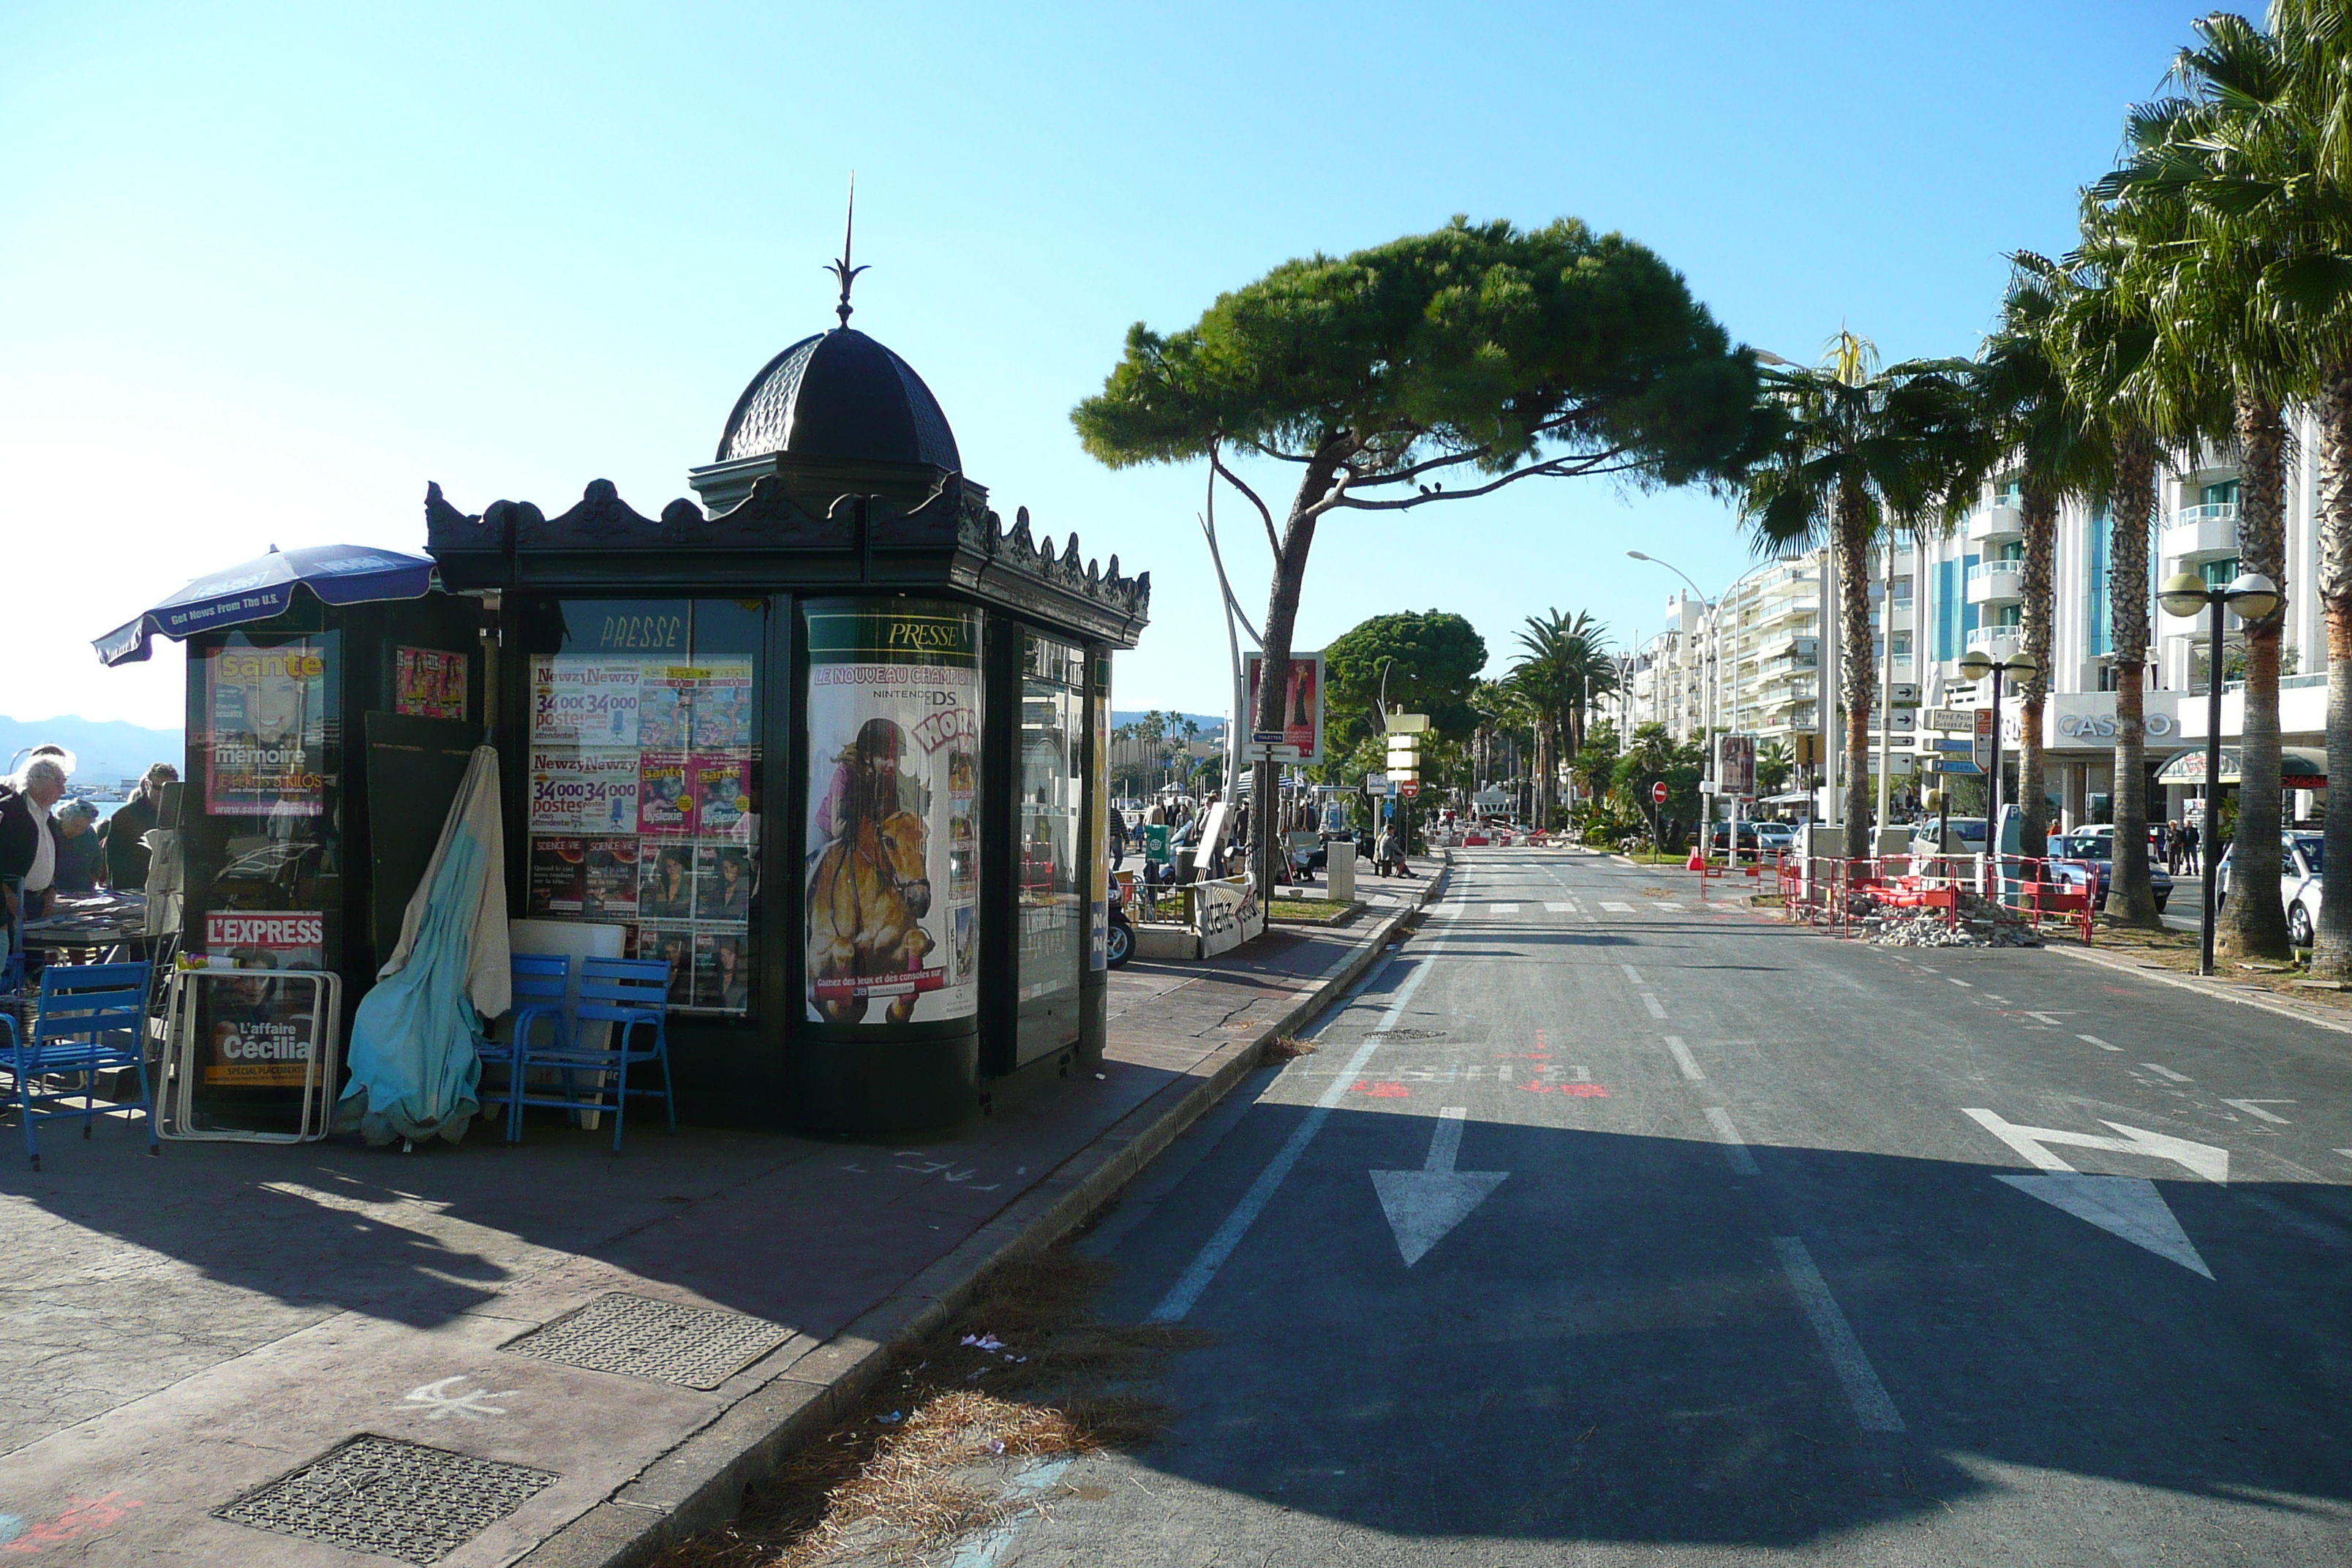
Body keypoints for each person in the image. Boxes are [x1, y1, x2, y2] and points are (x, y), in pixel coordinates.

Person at [0, 754, 71, 924]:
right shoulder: (9, 810)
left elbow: (50, 855)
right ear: (40, 781)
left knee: (35, 951)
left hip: (39, 901)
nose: (64, 791)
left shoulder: (48, 816)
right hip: (8, 903)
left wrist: (51, 889)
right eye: (59, 783)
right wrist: (7, 895)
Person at [103, 762, 178, 891]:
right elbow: (115, 864)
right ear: (147, 784)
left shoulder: (181, 814)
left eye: (168, 789)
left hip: (172, 888)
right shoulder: (124, 817)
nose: (162, 794)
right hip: (135, 888)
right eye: (157, 788)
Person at [53, 799, 104, 893]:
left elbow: (97, 859)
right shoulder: (51, 831)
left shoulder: (89, 833)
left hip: (82, 889)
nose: (78, 831)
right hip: (54, 891)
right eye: (75, 826)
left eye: (83, 828)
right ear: (63, 819)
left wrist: (92, 880)